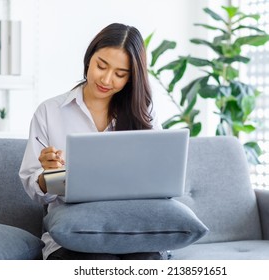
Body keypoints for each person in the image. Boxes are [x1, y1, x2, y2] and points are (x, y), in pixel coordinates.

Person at [19, 23, 164, 260]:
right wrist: (52, 174)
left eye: (120, 74)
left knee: (147, 261)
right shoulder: (50, 112)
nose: (106, 79)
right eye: (101, 66)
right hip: (72, 235)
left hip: (131, 231)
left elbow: (159, 178)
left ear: (132, 77)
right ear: (89, 58)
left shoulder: (143, 112)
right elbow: (39, 195)